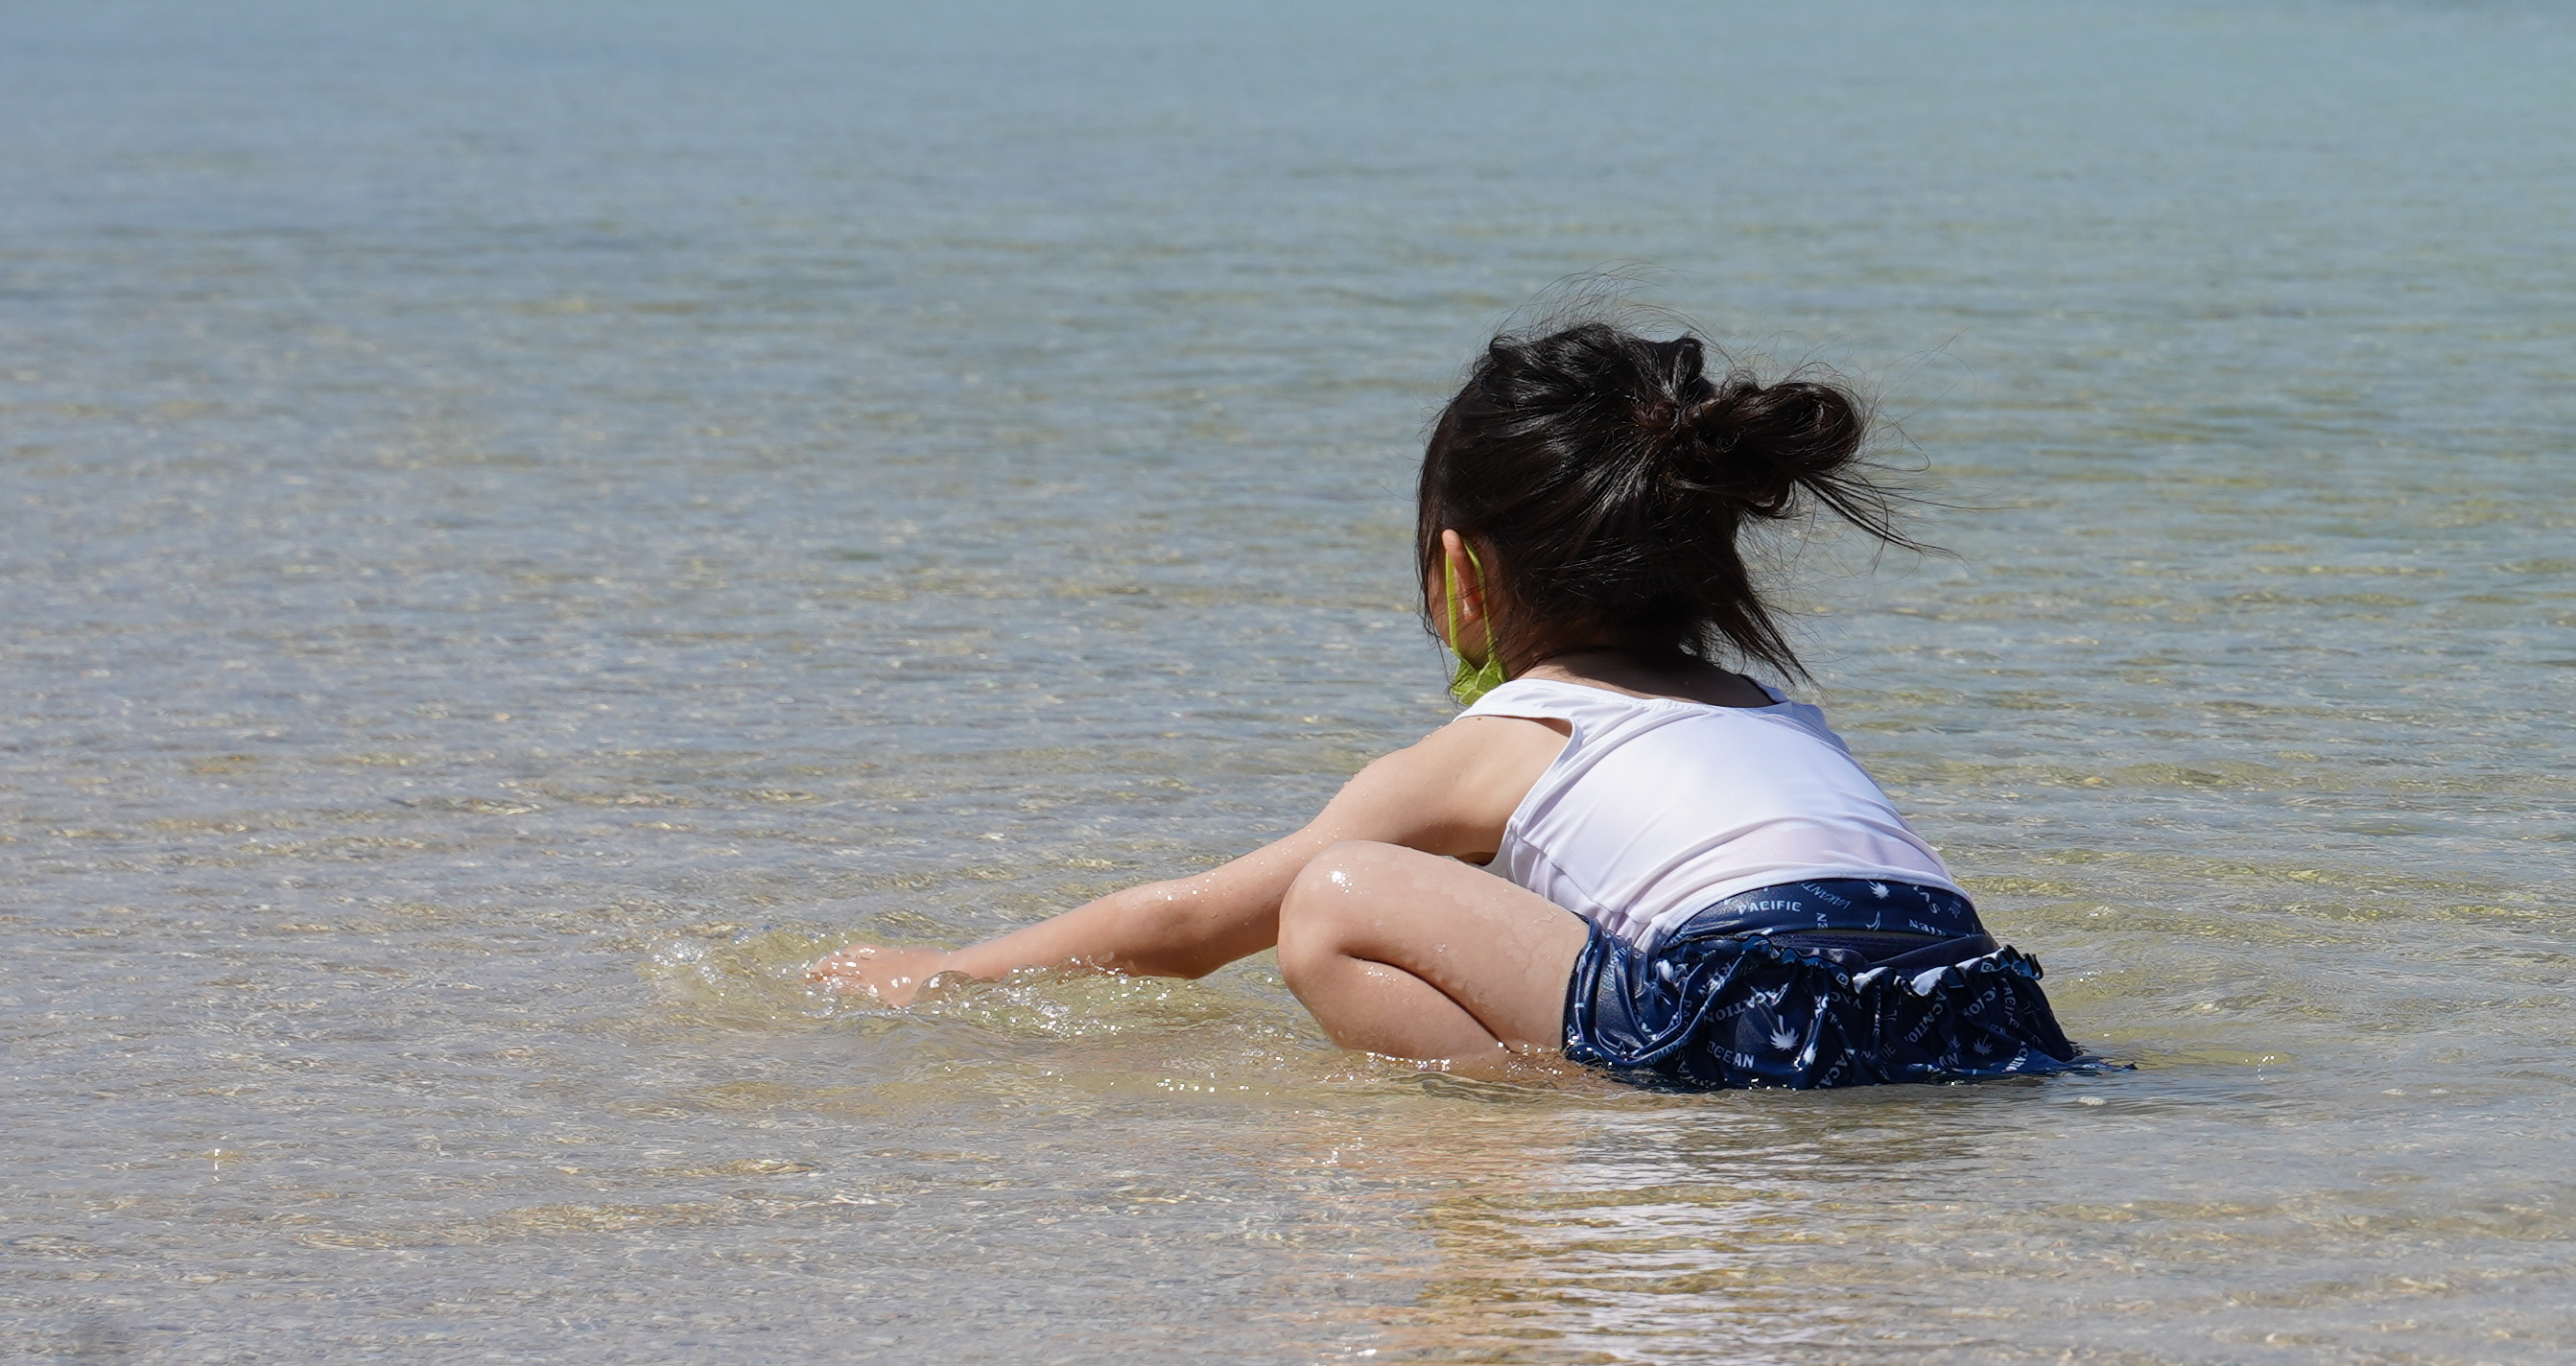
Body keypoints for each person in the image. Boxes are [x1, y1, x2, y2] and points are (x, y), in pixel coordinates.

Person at [815, 320, 2084, 1088]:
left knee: (1336, 899)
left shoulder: (1509, 739)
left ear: (1461, 577)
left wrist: (951, 974)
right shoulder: (1770, 717)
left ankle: (1569, 1122)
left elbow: (1196, 922)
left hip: (1757, 1011)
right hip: (1979, 1007)